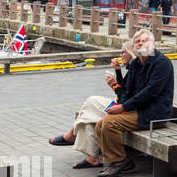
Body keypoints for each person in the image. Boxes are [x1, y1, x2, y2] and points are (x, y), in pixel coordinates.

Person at [94, 28, 176, 177]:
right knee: (100, 124)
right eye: (137, 41)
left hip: (154, 113)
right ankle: (116, 158)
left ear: (153, 43)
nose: (141, 43)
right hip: (137, 110)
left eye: (145, 40)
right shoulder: (136, 63)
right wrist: (120, 104)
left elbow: (150, 92)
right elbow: (127, 89)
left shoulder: (162, 63)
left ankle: (120, 161)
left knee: (110, 123)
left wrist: (123, 107)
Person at [50, 40, 138, 169]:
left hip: (126, 109)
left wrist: (114, 85)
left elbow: (124, 97)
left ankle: (72, 136)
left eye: (123, 52)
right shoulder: (132, 68)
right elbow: (125, 90)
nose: (120, 55)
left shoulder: (137, 69)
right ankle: (91, 157)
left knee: (90, 105)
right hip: (124, 106)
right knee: (90, 116)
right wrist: (118, 71)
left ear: (131, 53)